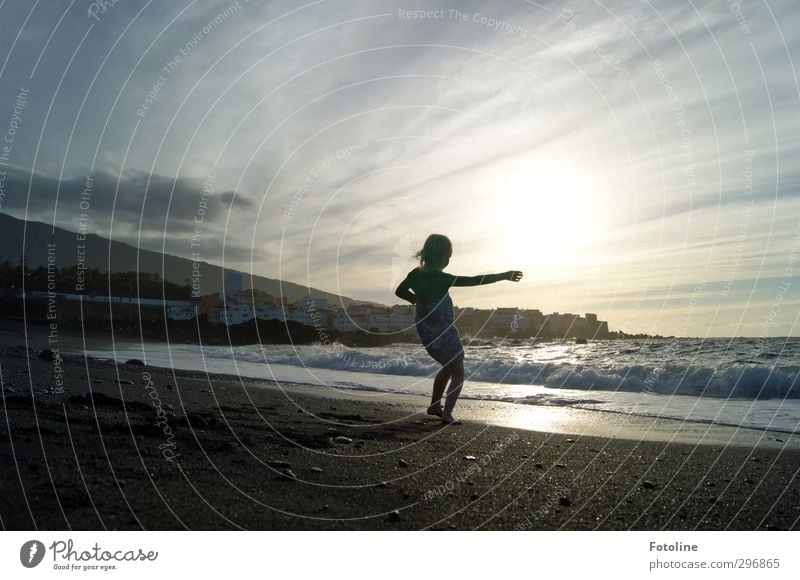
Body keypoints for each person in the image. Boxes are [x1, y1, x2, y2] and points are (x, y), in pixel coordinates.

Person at [395, 234, 523, 424]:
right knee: (458, 373)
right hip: (444, 333)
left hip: (426, 332)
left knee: (447, 367)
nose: (450, 258)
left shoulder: (416, 274)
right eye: (449, 254)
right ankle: (447, 414)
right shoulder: (443, 279)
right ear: (442, 256)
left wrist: (416, 300)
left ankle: (434, 405)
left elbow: (400, 291)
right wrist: (504, 275)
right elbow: (476, 280)